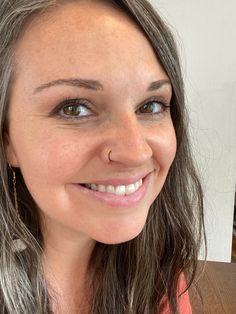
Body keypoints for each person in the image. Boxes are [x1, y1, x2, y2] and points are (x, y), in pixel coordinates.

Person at [0, 0, 205, 313]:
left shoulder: (160, 276)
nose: (136, 152)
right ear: (7, 138)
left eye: (151, 105)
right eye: (75, 108)